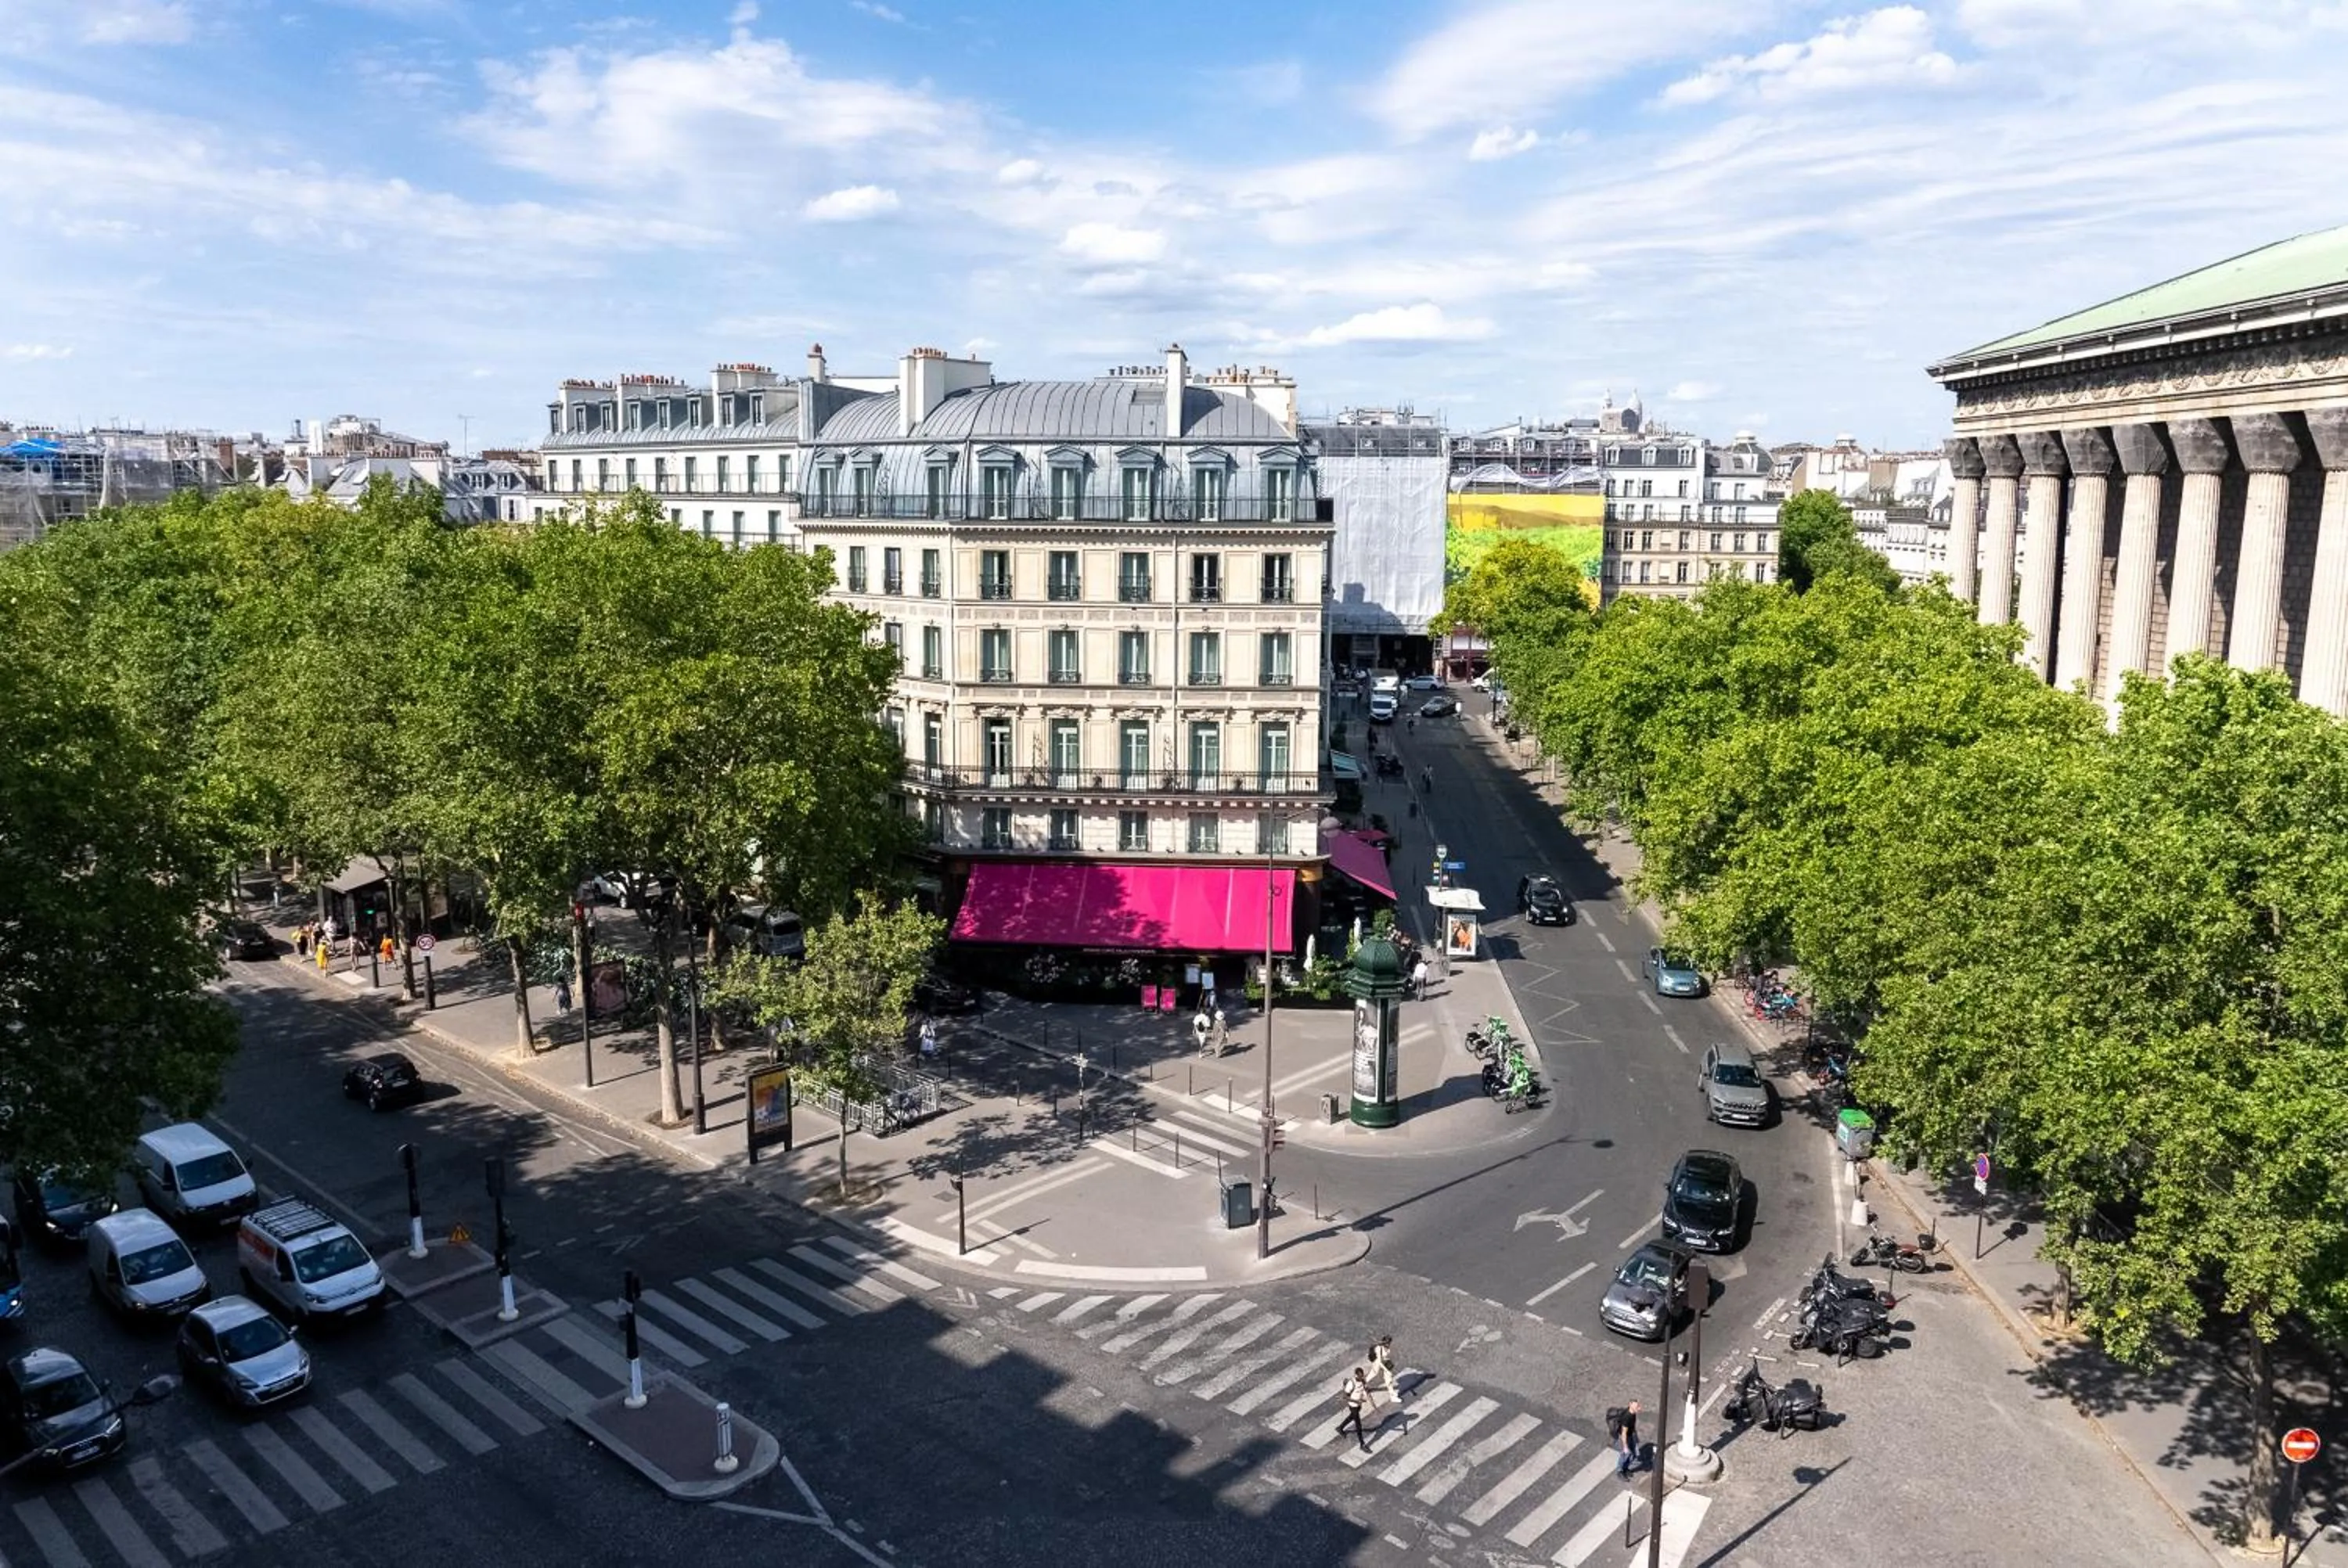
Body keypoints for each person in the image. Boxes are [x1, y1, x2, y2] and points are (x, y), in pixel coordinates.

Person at [1334, 1369, 1372, 1451]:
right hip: (1353, 1405)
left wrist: (1367, 1393)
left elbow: (1365, 1388)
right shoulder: (1351, 1383)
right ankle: (1362, 1444)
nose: (1361, 1377)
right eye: (1360, 1376)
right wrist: (1356, 1401)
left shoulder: (1363, 1380)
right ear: (1355, 1375)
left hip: (1359, 1405)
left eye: (1362, 1375)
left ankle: (1340, 1428)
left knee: (1352, 1417)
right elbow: (1345, 1396)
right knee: (1358, 1425)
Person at [1608, 1401, 1643, 1476]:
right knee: (1626, 1454)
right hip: (1625, 1437)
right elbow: (1624, 1433)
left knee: (1634, 1454)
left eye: (1638, 1406)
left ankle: (1625, 1468)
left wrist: (1635, 1436)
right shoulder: (1627, 1418)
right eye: (1637, 1407)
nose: (1639, 1408)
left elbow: (1632, 1427)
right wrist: (1625, 1447)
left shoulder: (1632, 1413)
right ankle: (1620, 1471)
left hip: (1631, 1435)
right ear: (1631, 1406)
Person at [1370, 1335, 1400, 1403]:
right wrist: (1387, 1370)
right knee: (1374, 1373)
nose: (1389, 1344)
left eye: (1389, 1342)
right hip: (1378, 1363)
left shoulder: (1386, 1347)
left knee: (1388, 1380)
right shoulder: (1379, 1348)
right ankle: (1361, 1384)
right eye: (1388, 1343)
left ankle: (1392, 1395)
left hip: (1382, 1363)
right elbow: (1379, 1361)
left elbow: (1383, 1358)